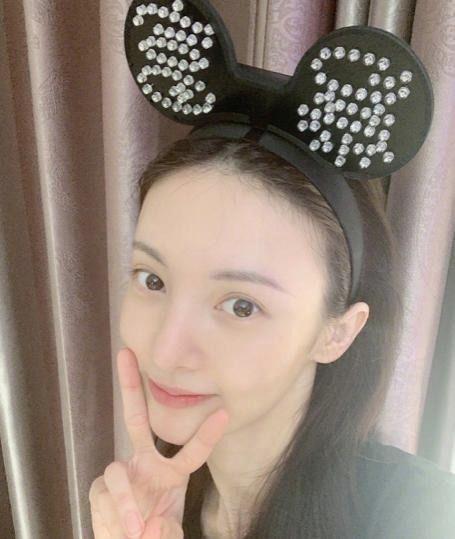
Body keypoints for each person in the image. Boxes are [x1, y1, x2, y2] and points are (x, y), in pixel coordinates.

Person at [116, 135, 455, 538]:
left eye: (241, 306)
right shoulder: (149, 505)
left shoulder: (427, 517)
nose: (165, 352)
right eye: (152, 280)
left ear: (336, 333)